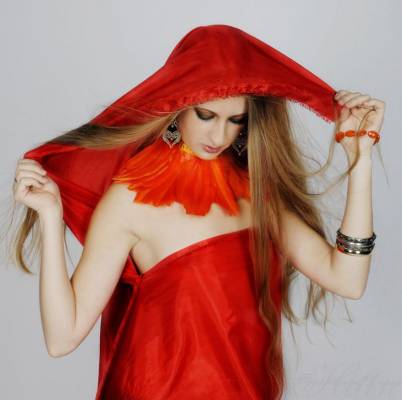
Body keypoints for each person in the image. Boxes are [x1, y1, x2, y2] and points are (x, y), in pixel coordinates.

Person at [10, 24, 385, 399]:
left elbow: (347, 280)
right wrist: (51, 218)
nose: (219, 137)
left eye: (235, 120)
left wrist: (360, 158)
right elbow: (62, 338)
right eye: (207, 115)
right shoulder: (131, 202)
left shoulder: (256, 196)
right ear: (177, 106)